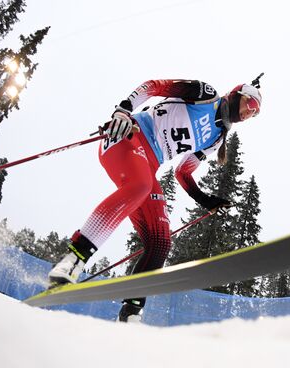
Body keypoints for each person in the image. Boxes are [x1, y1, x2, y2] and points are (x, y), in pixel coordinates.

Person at [47, 75, 263, 322]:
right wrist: (123, 111)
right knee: (141, 185)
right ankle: (74, 259)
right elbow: (154, 86)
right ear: (237, 94)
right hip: (129, 135)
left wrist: (206, 200)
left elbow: (183, 173)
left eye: (255, 113)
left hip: (149, 164)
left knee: (160, 242)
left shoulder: (216, 139)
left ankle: (131, 313)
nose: (249, 113)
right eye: (251, 104)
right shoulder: (207, 95)